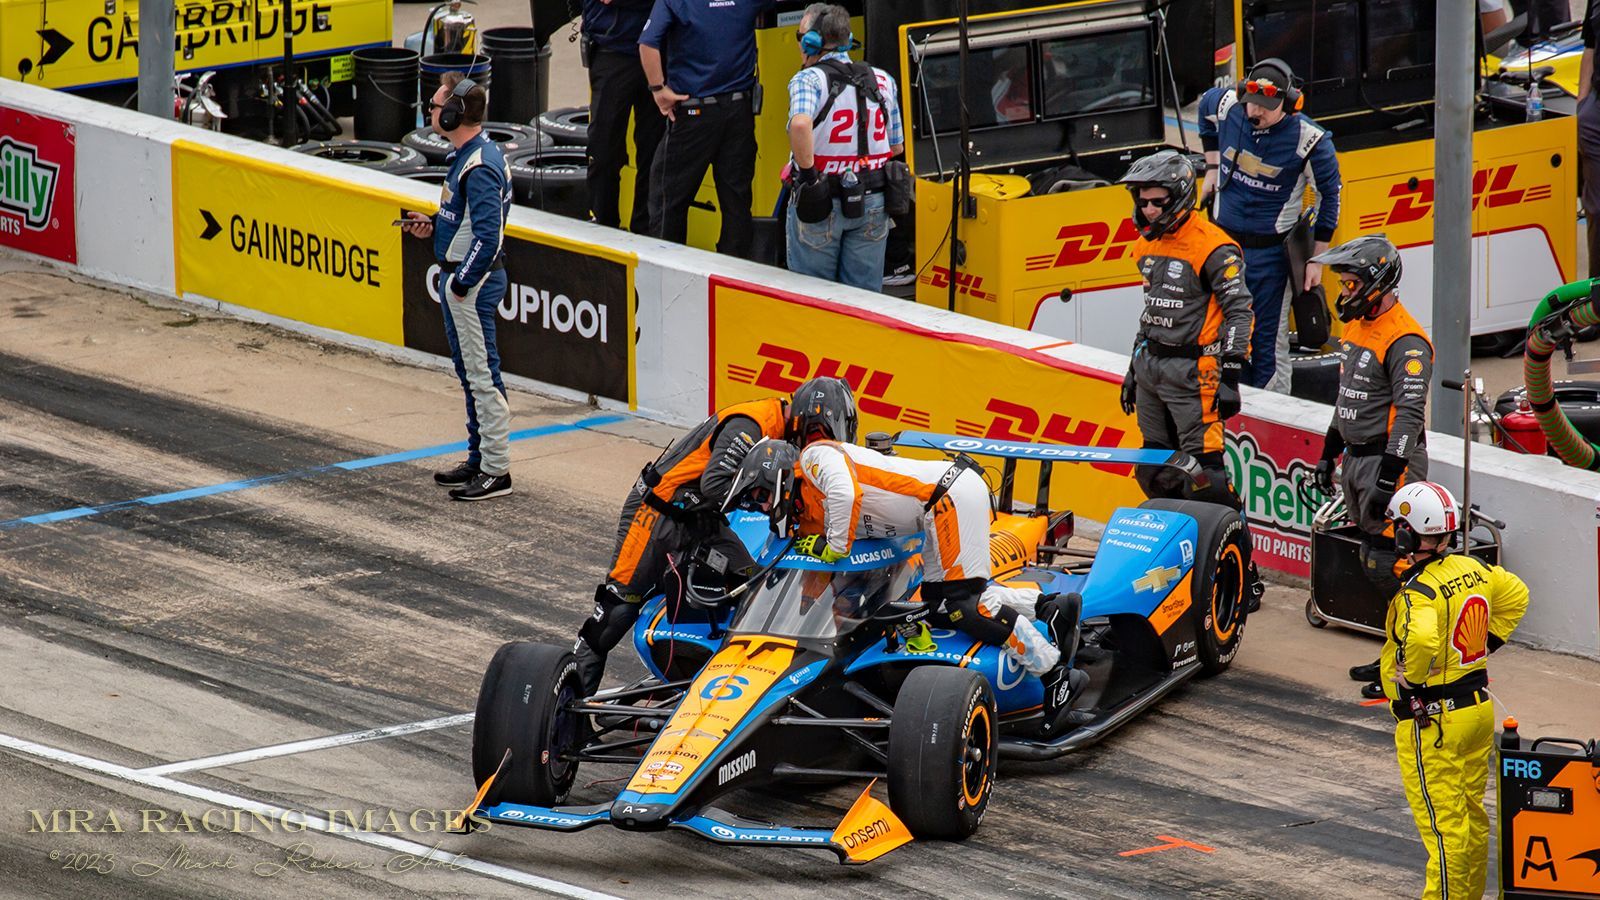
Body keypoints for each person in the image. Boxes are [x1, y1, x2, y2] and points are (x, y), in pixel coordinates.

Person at [763, 378, 1088, 736]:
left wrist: (834, 547)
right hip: (944, 500)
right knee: (940, 603)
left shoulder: (815, 455)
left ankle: (1055, 673)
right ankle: (1049, 607)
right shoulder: (819, 471)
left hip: (946, 499)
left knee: (965, 607)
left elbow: (843, 493)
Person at [1118, 149, 1265, 610]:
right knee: (1155, 470)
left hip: (1194, 374)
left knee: (1208, 478)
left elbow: (1241, 310)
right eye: (1142, 201)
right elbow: (1150, 313)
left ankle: (1245, 573)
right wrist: (1132, 367)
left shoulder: (1214, 246)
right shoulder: (1147, 243)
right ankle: (1180, 561)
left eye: (1157, 202)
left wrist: (1232, 373)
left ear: (1181, 197)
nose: (1147, 210)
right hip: (1151, 370)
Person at [572, 391, 791, 695]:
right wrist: (759, 502)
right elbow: (714, 485)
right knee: (616, 613)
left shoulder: (786, 431)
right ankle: (571, 709)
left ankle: (732, 683)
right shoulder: (751, 425)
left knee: (753, 583)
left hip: (698, 518)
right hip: (656, 514)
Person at [1379, 481, 1528, 900]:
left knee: (1444, 831)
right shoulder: (1473, 568)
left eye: (1398, 528)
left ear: (1409, 534)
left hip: (1435, 722)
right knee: (1470, 818)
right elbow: (1517, 593)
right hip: (1477, 713)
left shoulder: (1417, 591)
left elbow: (1423, 640)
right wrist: (1488, 641)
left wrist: (1414, 679)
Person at [1308, 235, 1432, 699]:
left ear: (1378, 283)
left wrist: (1388, 480)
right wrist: (1327, 452)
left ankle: (1413, 668)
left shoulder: (1408, 340)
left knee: (1392, 564)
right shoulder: (1358, 328)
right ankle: (1393, 657)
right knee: (1371, 560)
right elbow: (1348, 401)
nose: (1344, 291)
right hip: (1357, 458)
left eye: (1352, 281)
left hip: (1390, 460)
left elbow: (1411, 416)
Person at [401, 74, 515, 501]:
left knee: (482, 376)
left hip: (471, 283)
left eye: (434, 106)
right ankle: (479, 457)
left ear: (453, 113)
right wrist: (433, 227)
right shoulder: (470, 155)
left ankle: (496, 470)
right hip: (462, 277)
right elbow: (468, 222)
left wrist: (462, 283)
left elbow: (488, 236)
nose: (430, 112)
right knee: (471, 375)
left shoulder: (479, 164)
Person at [1198, 58, 1342, 393]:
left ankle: (1270, 418)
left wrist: (1316, 261)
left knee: (1265, 340)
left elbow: (1329, 200)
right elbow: (1205, 120)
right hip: (1221, 246)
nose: (1255, 113)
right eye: (1251, 104)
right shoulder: (1227, 105)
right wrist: (1211, 169)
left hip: (1270, 259)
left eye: (1266, 107)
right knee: (1217, 331)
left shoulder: (1311, 140)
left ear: (1289, 105)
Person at [639, 0, 775, 257]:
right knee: (736, 202)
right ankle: (733, 276)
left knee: (667, 200)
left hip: (694, 115)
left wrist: (658, 89)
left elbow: (648, 43)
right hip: (739, 112)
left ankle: (666, 269)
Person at [784, 3, 905, 292]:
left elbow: (800, 125)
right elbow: (896, 147)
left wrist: (810, 175)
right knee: (864, 300)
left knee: (813, 299)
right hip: (874, 200)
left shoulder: (808, 79)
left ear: (812, 42)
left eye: (801, 38)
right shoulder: (883, 80)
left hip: (821, 201)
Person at [582, 0, 664, 234]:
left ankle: (646, 232)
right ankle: (604, 229)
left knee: (654, 153)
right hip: (612, 52)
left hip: (659, 53)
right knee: (603, 150)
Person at [1579, 0, 1600, 277]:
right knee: (1597, 211)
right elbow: (1590, 44)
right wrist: (1582, 107)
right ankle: (1596, 304)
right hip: (1596, 112)